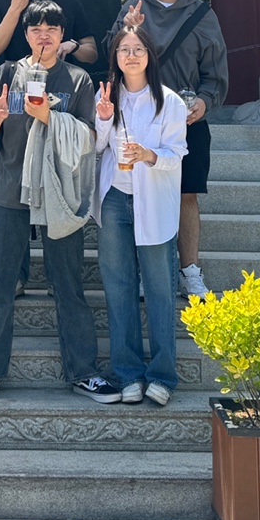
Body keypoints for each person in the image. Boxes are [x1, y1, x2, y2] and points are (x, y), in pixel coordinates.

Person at [0, 0, 120, 406]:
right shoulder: (6, 73)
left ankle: (84, 371)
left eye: (52, 29)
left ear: (63, 35)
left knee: (68, 283)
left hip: (58, 190)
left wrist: (49, 116)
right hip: (8, 186)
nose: (43, 36)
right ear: (26, 34)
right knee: (0, 284)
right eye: (36, 29)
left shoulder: (77, 79)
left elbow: (90, 138)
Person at [105, 0, 228, 300]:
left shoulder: (203, 15)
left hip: (185, 121)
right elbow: (113, 56)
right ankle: (149, 272)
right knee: (139, 196)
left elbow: (214, 74)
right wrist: (125, 28)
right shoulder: (133, 7)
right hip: (137, 117)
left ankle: (190, 271)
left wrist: (204, 102)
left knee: (186, 195)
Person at [0, 0, 96, 298]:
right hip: (14, 105)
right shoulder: (3, 2)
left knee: (54, 193)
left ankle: (57, 278)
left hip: (59, 100)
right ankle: (15, 277)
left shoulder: (70, 4)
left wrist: (71, 45)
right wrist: (15, 9)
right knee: (14, 194)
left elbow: (93, 51)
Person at [94, 26, 188, 406]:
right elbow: (97, 146)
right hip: (115, 199)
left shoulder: (170, 102)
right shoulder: (107, 96)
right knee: (119, 288)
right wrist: (103, 118)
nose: (131, 56)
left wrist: (148, 155)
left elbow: (176, 155)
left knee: (160, 288)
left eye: (137, 49)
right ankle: (128, 373)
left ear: (150, 55)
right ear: (115, 57)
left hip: (154, 202)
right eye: (123, 50)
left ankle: (163, 375)